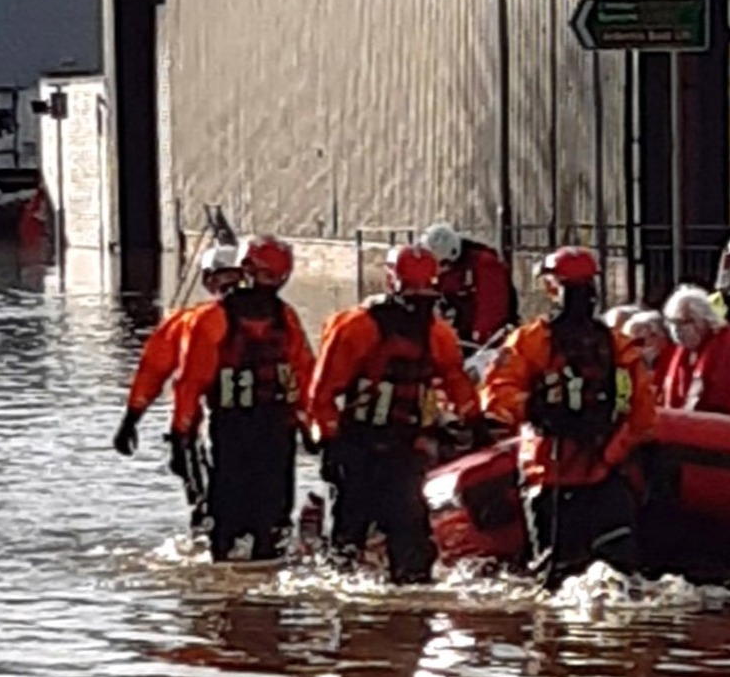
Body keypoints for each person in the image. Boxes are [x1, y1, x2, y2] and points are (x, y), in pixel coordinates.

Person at [481, 246, 658, 589]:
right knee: (620, 576)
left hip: (549, 472)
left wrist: (534, 411)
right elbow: (643, 416)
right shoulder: (619, 344)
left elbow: (496, 396)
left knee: (554, 578)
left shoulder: (529, 341)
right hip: (604, 474)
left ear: (551, 288)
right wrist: (609, 454)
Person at [306, 243, 483, 583]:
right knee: (364, 529)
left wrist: (474, 424)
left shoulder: (427, 333)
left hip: (399, 446)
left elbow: (455, 382)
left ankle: (381, 592)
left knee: (391, 531)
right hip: (364, 444)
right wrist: (329, 441)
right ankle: (395, 601)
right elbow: (323, 393)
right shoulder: (366, 329)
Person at [170, 234, 314, 563]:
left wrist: (315, 425)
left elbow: (304, 374)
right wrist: (182, 435)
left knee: (272, 521)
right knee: (227, 521)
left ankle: (249, 595)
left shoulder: (284, 318)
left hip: (273, 430)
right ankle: (238, 599)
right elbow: (189, 383)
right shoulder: (212, 320)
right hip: (230, 430)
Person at [115, 244, 245, 528]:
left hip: (211, 427)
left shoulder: (190, 322)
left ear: (208, 280)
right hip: (267, 431)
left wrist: (132, 421)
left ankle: (208, 545)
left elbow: (155, 372)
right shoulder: (281, 319)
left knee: (207, 507)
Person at [659, 284, 730, 418]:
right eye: (671, 323)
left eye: (683, 322)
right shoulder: (683, 351)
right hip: (685, 429)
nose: (675, 330)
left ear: (705, 320)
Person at [420, 222, 517, 347]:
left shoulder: (484, 264)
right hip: (454, 336)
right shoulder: (438, 271)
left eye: (442, 264)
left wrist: (479, 338)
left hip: (483, 341)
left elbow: (491, 307)